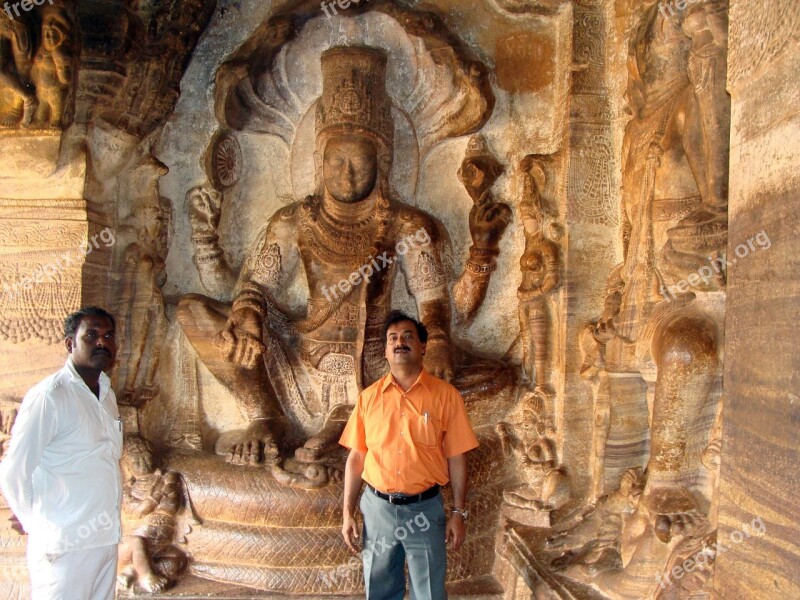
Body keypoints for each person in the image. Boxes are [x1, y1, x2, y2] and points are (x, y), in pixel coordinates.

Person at [340, 310, 479, 600]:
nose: (399, 342)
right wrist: (347, 512)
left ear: (423, 347)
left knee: (428, 592)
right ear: (386, 350)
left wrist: (458, 512)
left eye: (407, 336)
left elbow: (456, 458)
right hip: (378, 510)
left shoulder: (445, 396)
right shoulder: (368, 398)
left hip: (425, 511)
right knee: (378, 590)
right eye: (393, 338)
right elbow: (356, 459)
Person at [0, 307, 123, 600]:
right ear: (70, 344)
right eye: (91, 335)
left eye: (108, 336)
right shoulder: (50, 397)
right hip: (65, 547)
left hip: (104, 540)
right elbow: (13, 471)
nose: (101, 343)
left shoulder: (106, 394)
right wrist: (38, 525)